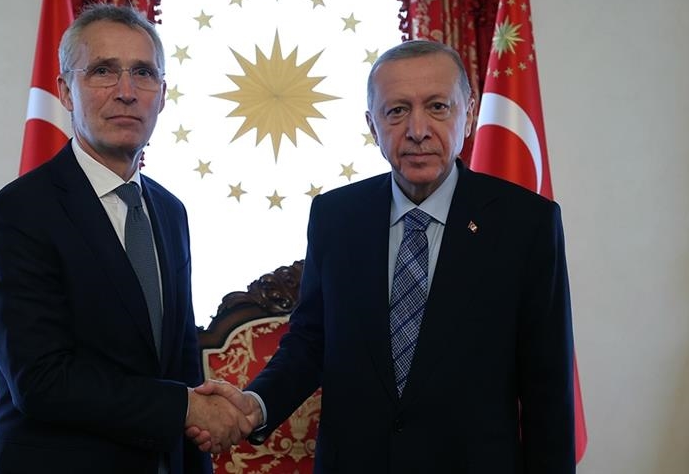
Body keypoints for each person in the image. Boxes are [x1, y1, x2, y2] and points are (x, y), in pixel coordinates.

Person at [188, 40, 576, 473]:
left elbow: (548, 388)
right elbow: (311, 342)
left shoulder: (526, 224)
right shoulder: (336, 216)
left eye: (437, 107)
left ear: (468, 115)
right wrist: (256, 404)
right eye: (397, 111)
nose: (417, 130)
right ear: (372, 125)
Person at [0, 3, 250, 474]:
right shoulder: (18, 213)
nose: (126, 91)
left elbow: (179, 363)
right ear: (66, 91)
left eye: (143, 73)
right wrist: (186, 407)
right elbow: (42, 381)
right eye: (103, 71)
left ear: (162, 95)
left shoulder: (170, 211)